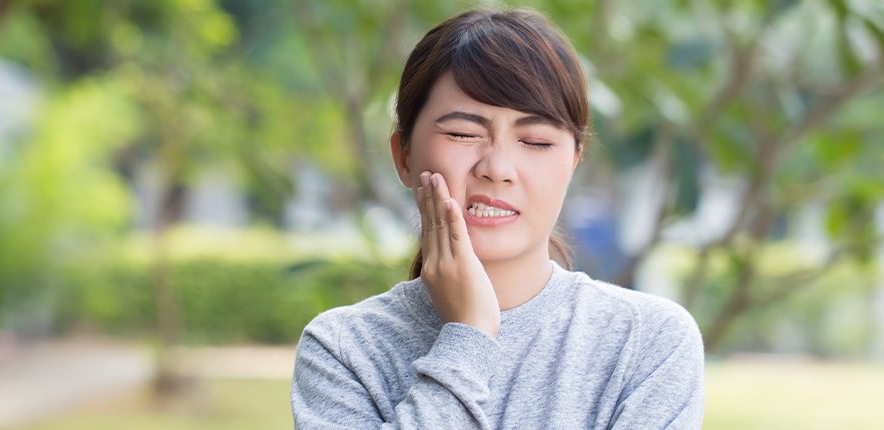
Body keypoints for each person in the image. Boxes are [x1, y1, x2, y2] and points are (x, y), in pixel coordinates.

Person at [291, 7, 703, 429]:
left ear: (574, 161)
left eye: (536, 141)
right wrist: (467, 339)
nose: (497, 167)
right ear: (404, 156)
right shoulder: (343, 349)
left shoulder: (648, 340)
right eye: (463, 134)